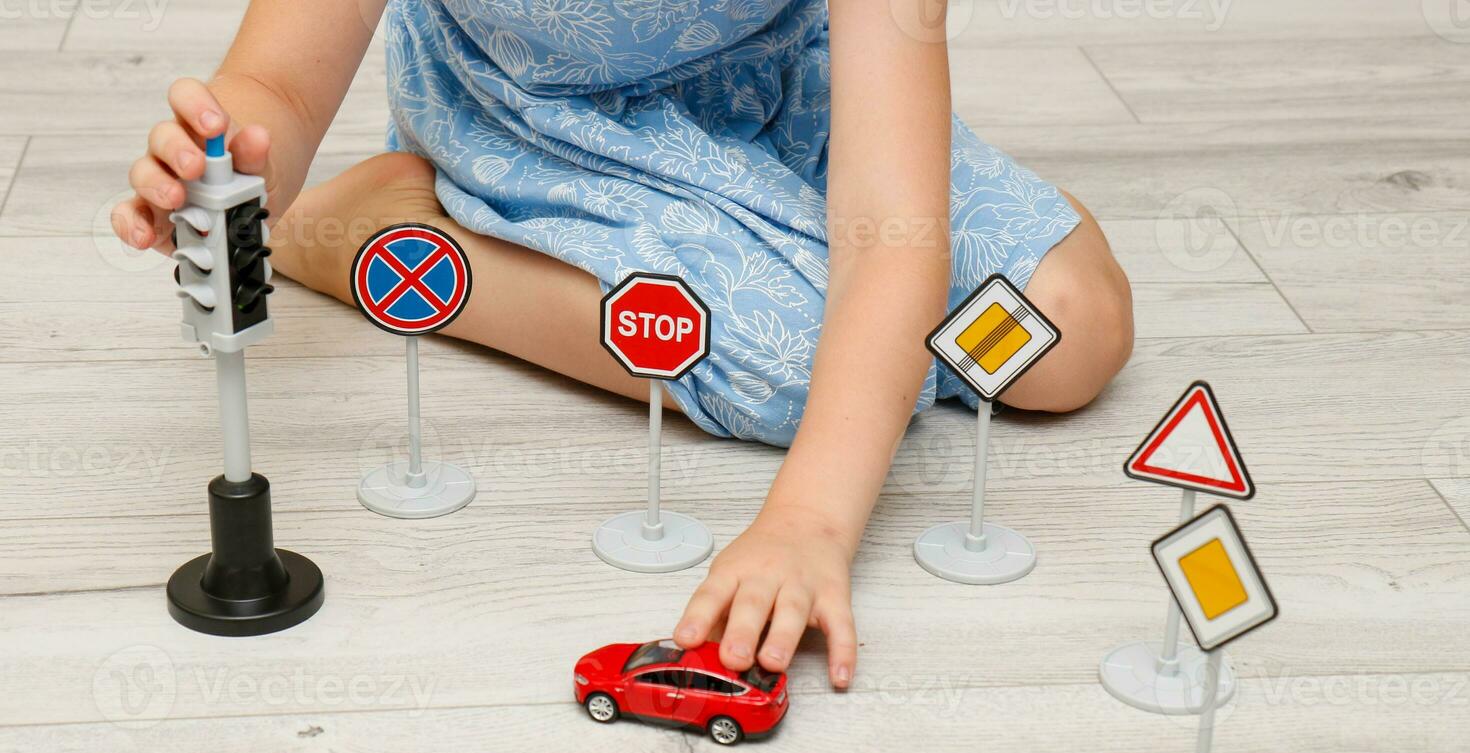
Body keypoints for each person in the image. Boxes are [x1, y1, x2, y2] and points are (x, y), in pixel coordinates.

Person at [114, 0, 1133, 690]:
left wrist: (813, 522)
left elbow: (891, 227)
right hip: (543, 115)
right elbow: (278, 91)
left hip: (780, 97)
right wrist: (235, 156)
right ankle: (367, 230)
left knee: (1068, 335)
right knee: (793, 374)